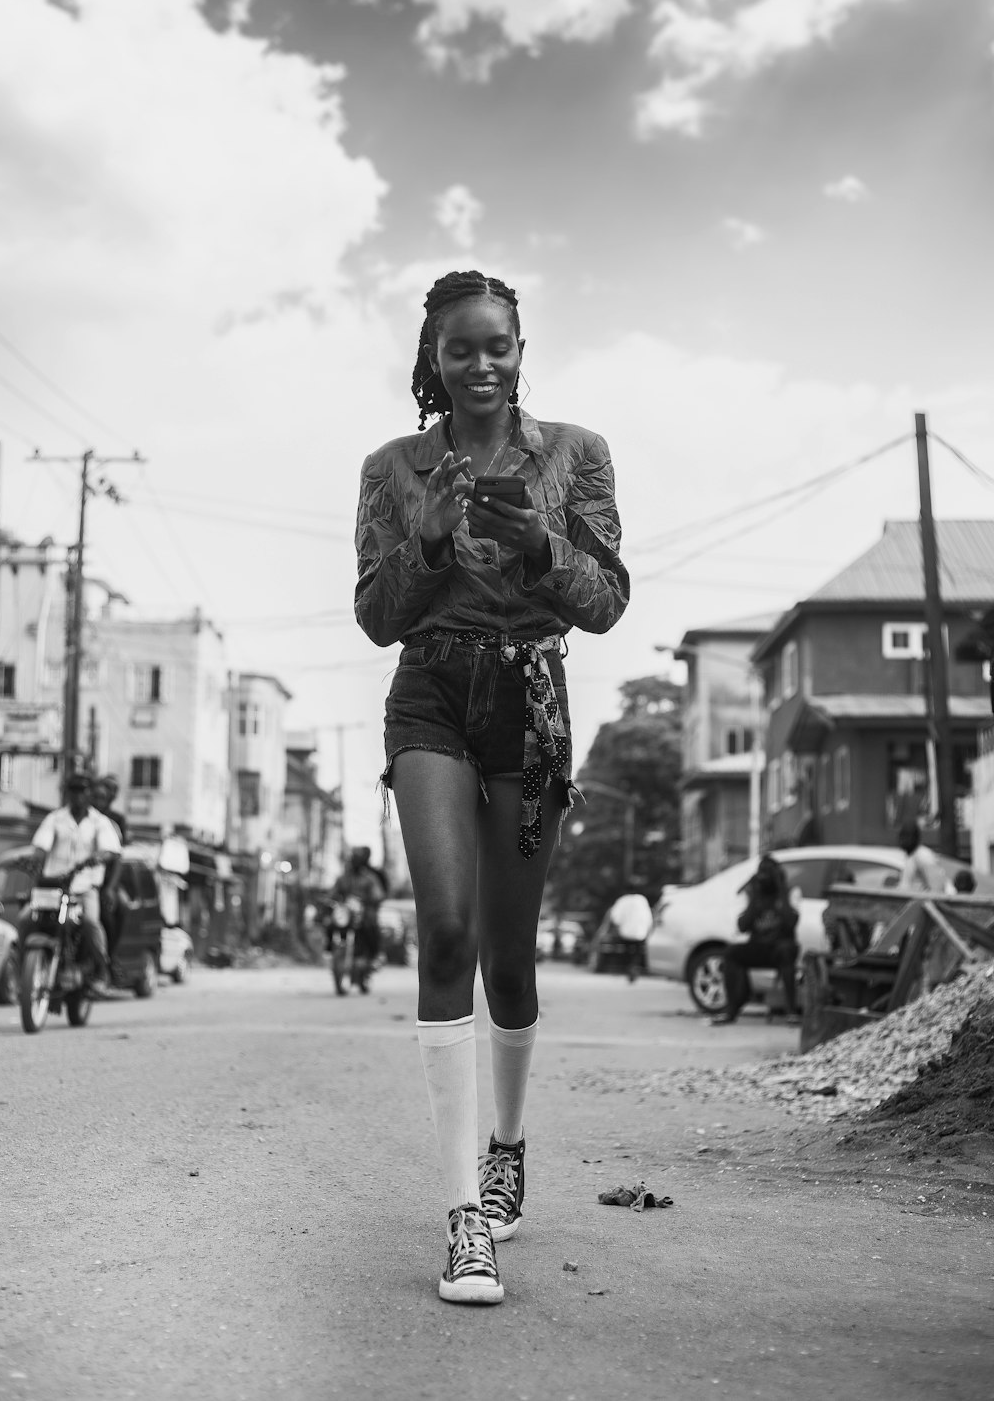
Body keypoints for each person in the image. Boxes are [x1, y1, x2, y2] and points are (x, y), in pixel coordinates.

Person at [355, 269, 628, 1304]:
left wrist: (538, 545)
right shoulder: (391, 467)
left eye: (497, 345)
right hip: (429, 692)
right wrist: (426, 539)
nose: (480, 363)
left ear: (521, 352)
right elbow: (378, 616)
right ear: (432, 360)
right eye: (459, 348)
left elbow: (604, 601)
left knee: (510, 965)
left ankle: (509, 1144)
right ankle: (465, 1214)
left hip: (530, 699)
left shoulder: (575, 455)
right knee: (448, 933)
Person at [19, 772, 120, 995]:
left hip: (85, 887)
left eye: (81, 791)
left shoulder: (100, 822)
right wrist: (33, 858)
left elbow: (110, 851)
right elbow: (41, 846)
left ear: (88, 794)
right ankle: (23, 972)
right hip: (53, 887)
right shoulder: (55, 819)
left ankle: (102, 969)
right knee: (25, 918)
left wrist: (97, 857)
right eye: (73, 791)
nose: (77, 796)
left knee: (91, 923)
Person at [712, 854, 800, 1026]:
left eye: (769, 874)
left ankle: (791, 1011)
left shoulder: (790, 892)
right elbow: (742, 926)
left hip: (781, 948)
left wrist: (781, 890)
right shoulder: (754, 892)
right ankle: (733, 1007)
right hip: (760, 947)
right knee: (732, 952)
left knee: (786, 950)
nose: (765, 878)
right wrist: (754, 898)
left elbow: (791, 923)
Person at [91, 773, 128, 979]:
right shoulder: (77, 819)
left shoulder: (114, 822)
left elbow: (118, 857)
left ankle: (108, 957)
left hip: (105, 879)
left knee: (119, 906)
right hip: (79, 879)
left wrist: (110, 887)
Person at [331, 845, 386, 963]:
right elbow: (334, 892)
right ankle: (329, 948)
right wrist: (334, 898)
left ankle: (375, 955)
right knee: (330, 922)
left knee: (370, 926)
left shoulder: (370, 878)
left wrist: (369, 901)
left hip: (364, 912)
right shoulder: (343, 878)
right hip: (347, 912)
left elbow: (377, 895)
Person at [606, 891, 654, 982]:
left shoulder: (622, 900)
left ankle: (629, 967)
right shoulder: (642, 900)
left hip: (625, 933)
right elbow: (648, 917)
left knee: (627, 951)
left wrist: (619, 925)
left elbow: (615, 916)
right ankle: (634, 966)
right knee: (637, 952)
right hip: (640, 933)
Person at [897, 820, 951, 894]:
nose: (903, 840)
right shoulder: (910, 856)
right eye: (902, 836)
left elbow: (937, 887)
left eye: (907, 836)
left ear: (916, 837)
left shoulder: (923, 855)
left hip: (923, 903)